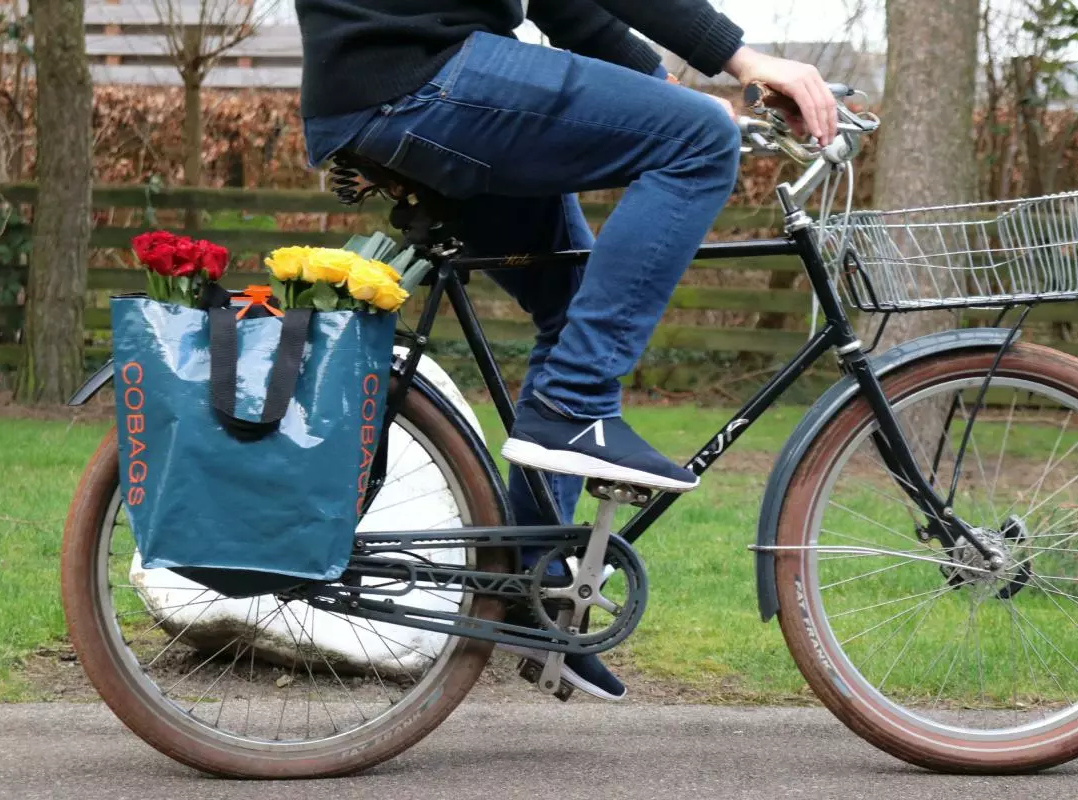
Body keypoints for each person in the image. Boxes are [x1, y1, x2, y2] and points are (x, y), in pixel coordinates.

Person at [297, 0, 837, 701]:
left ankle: (536, 589)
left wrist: (661, 88)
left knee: (571, 300)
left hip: (403, 80)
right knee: (701, 140)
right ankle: (575, 404)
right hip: (418, 78)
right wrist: (745, 59)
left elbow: (563, 5)